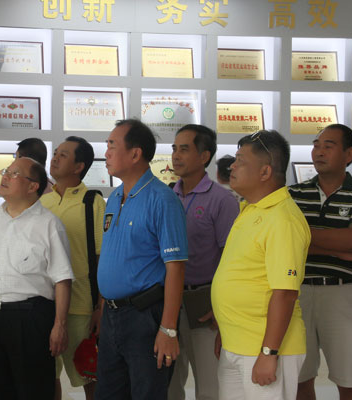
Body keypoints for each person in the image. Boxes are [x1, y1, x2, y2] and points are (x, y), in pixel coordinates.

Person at [0, 156, 74, 400]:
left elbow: (62, 280)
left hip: (30, 319)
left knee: (33, 391)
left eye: (14, 173)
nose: (5, 177)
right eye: (5, 171)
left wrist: (60, 325)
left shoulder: (49, 224)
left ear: (33, 186)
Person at [212, 130, 310, 400]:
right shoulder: (250, 209)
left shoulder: (282, 219)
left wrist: (269, 352)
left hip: (265, 349)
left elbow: (285, 292)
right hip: (237, 343)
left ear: (265, 172)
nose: (232, 166)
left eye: (240, 161)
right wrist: (225, 330)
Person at [95, 119, 188, 400]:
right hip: (112, 316)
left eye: (112, 145)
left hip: (145, 317)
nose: (106, 153)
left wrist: (168, 329)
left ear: (135, 154)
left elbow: (176, 268)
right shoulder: (114, 198)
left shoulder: (163, 199)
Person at [288, 124, 352, 400]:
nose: (318, 152)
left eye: (328, 146)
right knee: (299, 379)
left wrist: (305, 238)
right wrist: (342, 251)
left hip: (344, 293)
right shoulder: (293, 194)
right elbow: (286, 240)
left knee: (351, 381)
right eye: (316, 145)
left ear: (349, 154)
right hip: (297, 293)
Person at [168, 124, 239, 400]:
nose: (176, 156)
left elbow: (231, 258)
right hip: (168, 300)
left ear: (204, 156)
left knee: (209, 387)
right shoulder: (167, 196)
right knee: (168, 384)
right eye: (174, 149)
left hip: (205, 302)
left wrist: (220, 305)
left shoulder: (223, 200)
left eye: (184, 149)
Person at [40, 136, 106, 400]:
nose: (55, 158)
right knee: (48, 376)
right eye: (55, 153)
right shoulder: (40, 203)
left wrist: (100, 306)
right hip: (45, 304)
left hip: (81, 306)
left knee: (90, 375)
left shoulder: (93, 203)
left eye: (63, 155)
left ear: (79, 166)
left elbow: (103, 259)